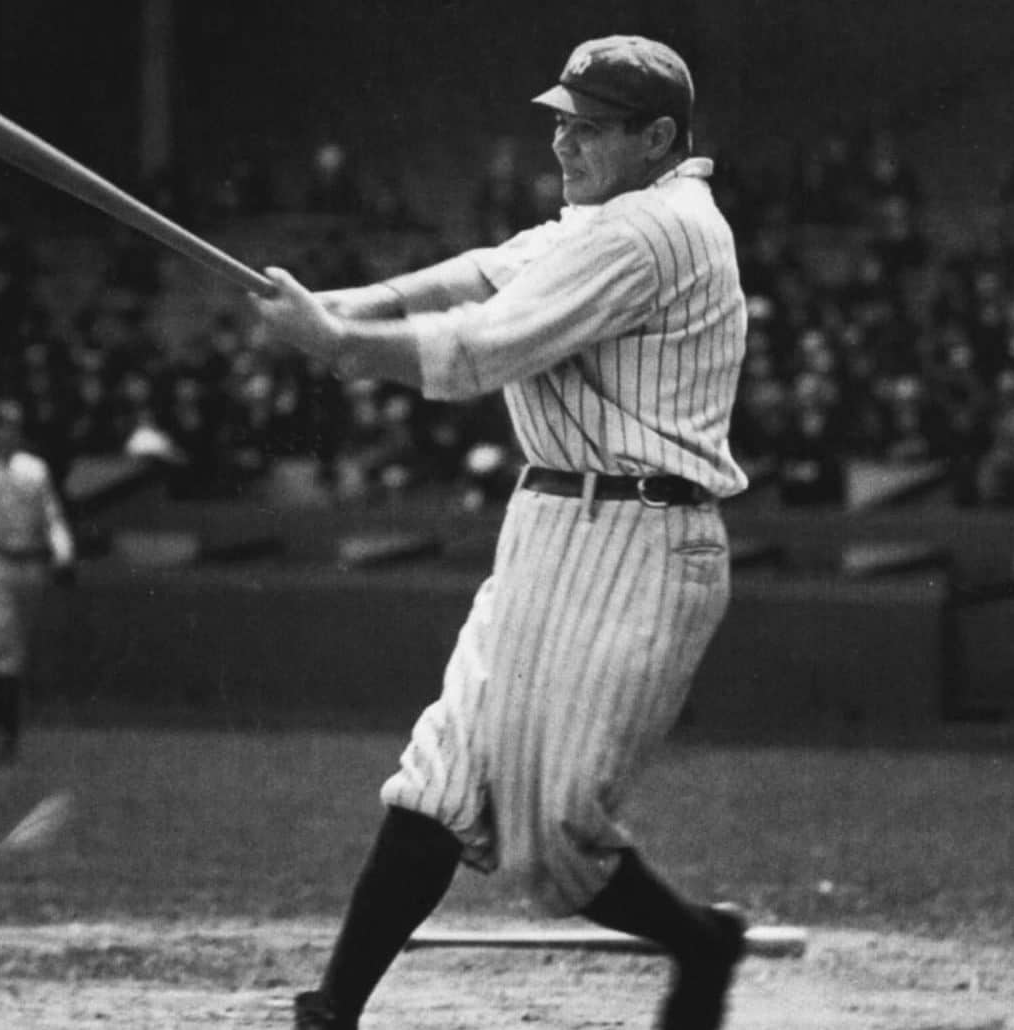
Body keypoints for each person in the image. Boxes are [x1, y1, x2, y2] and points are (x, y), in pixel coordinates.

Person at [248, 35, 751, 1030]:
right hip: (547, 525)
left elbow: (482, 348)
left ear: (657, 138)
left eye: (589, 125)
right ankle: (330, 1011)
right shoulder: (599, 219)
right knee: (439, 775)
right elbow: (485, 272)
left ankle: (699, 944)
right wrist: (341, 305)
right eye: (559, 118)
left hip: (643, 544)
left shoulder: (654, 230)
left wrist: (342, 344)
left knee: (552, 831)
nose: (562, 138)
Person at [0, 399, 75, 762]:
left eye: (12, 426)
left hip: (29, 564)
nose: (6, 432)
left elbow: (51, 514)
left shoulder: (34, 470)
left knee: (14, 649)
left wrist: (63, 552)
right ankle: (3, 730)